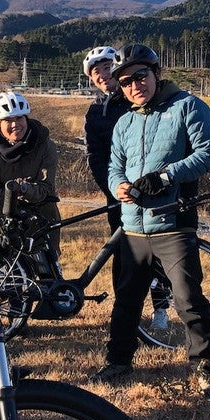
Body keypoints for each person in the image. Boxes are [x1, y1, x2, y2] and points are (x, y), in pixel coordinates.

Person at [92, 43, 210, 401]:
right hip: (133, 226)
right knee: (127, 300)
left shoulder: (188, 107)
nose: (134, 85)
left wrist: (167, 176)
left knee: (188, 300)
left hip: (173, 223)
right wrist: (116, 185)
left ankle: (208, 369)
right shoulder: (125, 121)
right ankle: (119, 360)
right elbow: (113, 166)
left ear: (156, 74)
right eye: (125, 82)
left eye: (140, 76)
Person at [0, 90, 62, 273]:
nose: (15, 124)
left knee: (48, 274)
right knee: (12, 278)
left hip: (43, 218)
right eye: (8, 120)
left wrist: (24, 188)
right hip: (9, 220)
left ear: (27, 119)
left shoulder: (45, 145)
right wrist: (13, 193)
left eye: (19, 118)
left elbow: (46, 187)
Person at [81, 45, 131, 290]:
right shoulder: (93, 112)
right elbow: (95, 156)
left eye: (107, 67)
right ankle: (122, 304)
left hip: (152, 186)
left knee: (156, 250)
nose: (102, 74)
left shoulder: (137, 98)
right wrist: (112, 187)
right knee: (120, 247)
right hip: (117, 191)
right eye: (95, 72)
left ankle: (161, 307)